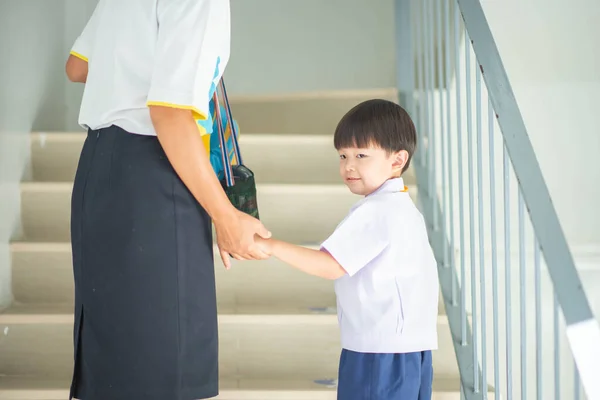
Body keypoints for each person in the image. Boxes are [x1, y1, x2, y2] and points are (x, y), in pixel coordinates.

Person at [64, 1, 271, 399]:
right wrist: (225, 216)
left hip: (99, 167)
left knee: (113, 363)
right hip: (155, 173)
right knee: (165, 369)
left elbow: (78, 66)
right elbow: (169, 114)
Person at [255, 99, 439, 400]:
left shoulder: (377, 210)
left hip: (378, 355)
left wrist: (271, 246)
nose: (348, 166)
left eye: (361, 155)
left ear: (397, 160)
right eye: (342, 155)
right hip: (411, 353)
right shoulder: (403, 208)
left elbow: (330, 265)